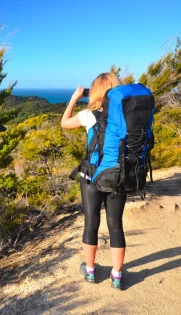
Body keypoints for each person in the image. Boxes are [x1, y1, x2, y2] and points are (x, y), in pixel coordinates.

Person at [61, 72, 125, 290]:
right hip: (118, 175)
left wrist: (74, 99)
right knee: (116, 226)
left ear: (95, 91)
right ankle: (116, 275)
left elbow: (64, 123)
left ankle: (89, 270)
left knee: (91, 223)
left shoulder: (89, 115)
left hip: (92, 177)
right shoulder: (124, 115)